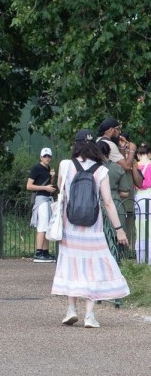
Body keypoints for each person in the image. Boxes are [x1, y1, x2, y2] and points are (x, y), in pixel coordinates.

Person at [51, 129, 129, 328]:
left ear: (75, 145)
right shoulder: (100, 170)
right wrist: (119, 229)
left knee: (71, 265)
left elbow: (62, 191)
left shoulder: (65, 165)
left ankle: (70, 310)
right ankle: (90, 315)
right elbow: (108, 202)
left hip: (70, 226)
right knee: (92, 268)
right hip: (93, 227)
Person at [96, 118, 142, 246]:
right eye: (118, 129)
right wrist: (132, 150)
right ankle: (124, 251)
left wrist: (121, 148)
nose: (119, 132)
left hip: (103, 190)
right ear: (110, 130)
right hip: (116, 191)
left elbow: (119, 162)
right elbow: (126, 166)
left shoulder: (98, 142)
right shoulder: (109, 144)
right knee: (120, 223)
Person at [27, 147, 57, 262]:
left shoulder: (49, 169)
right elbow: (29, 186)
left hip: (47, 198)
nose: (47, 158)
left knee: (47, 225)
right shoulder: (36, 168)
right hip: (41, 199)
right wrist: (45, 187)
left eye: (49, 156)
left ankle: (45, 252)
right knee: (42, 225)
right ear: (41, 157)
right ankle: (39, 252)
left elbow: (49, 185)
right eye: (45, 156)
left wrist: (52, 178)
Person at [134, 143, 151, 262]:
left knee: (139, 226)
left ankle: (140, 258)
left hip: (138, 196)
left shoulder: (135, 166)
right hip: (149, 194)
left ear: (138, 155)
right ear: (149, 154)